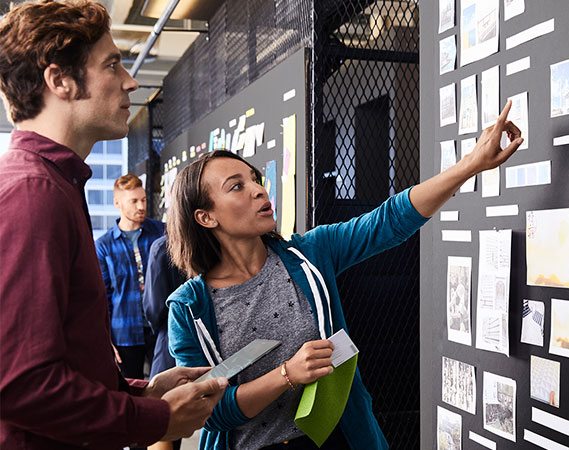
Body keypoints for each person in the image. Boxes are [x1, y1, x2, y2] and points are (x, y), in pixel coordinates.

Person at [166, 101, 523, 449]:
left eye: (254, 179)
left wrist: (470, 164)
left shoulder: (311, 253)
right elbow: (209, 410)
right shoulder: (189, 309)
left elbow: (390, 219)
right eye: (237, 186)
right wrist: (287, 375)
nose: (260, 189)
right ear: (206, 217)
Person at [0, 1, 227, 448]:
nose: (130, 80)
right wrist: (152, 419)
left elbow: (60, 362)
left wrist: (141, 393)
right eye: (112, 64)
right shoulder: (33, 193)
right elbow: (18, 382)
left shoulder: (54, 185)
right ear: (59, 80)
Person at [96, 174, 165, 379]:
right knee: (130, 391)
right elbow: (103, 296)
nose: (141, 206)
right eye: (134, 201)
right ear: (117, 203)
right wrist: (105, 338)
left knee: (168, 386)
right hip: (124, 332)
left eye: (143, 200)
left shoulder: (162, 232)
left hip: (160, 327)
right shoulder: (104, 245)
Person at [143, 234, 186, 450]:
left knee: (165, 418)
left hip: (170, 336)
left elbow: (153, 307)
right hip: (211, 333)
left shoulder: (162, 247)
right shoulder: (213, 236)